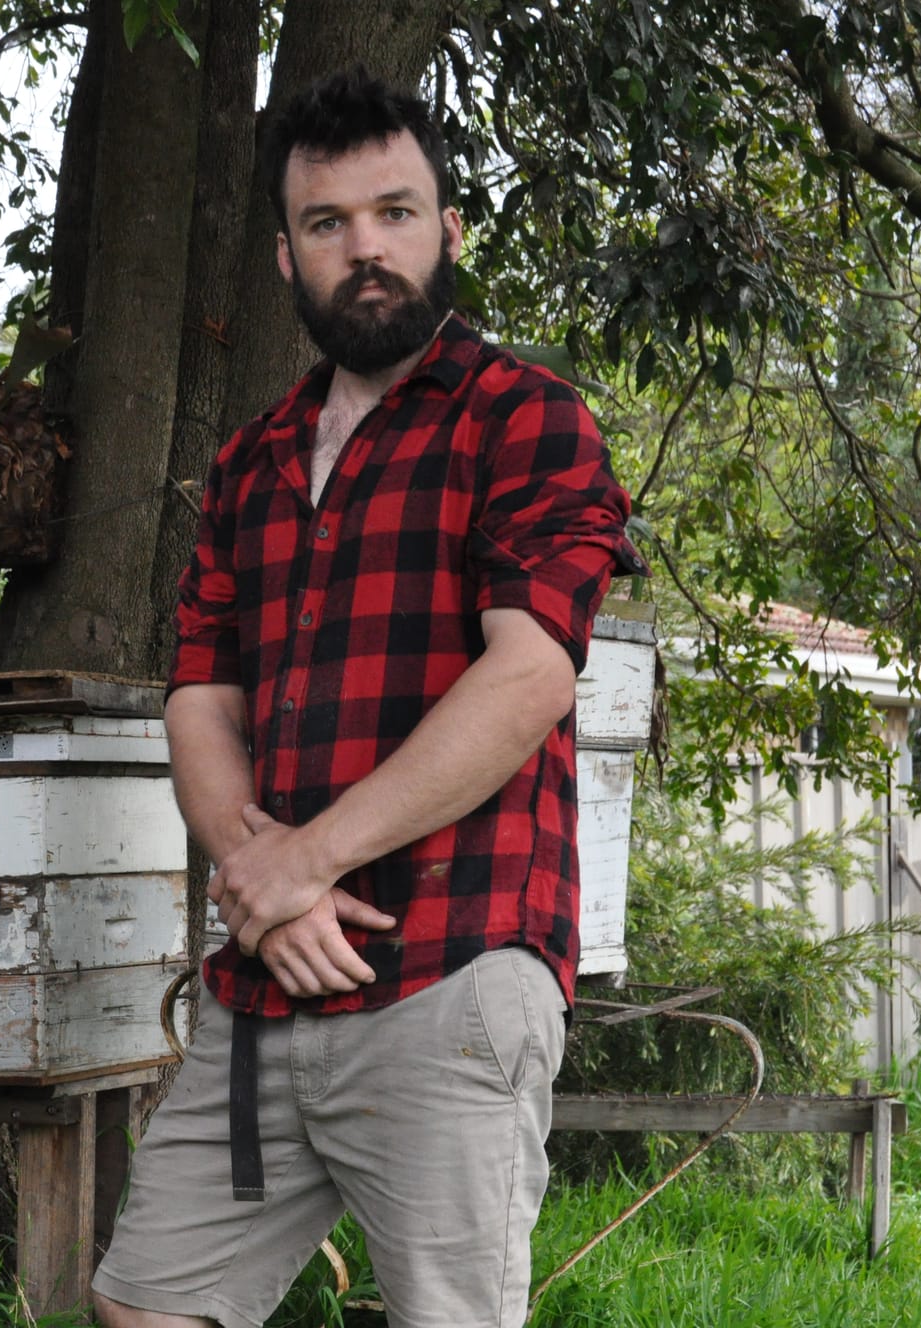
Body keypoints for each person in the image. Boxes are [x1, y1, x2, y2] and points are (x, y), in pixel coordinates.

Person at [90, 68, 645, 1328]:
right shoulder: (251, 458)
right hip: (264, 980)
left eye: (393, 212)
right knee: (144, 1304)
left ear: (448, 228)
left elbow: (528, 672)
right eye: (327, 223)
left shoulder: (526, 419)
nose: (365, 248)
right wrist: (259, 879)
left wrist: (302, 861)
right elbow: (198, 695)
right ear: (285, 257)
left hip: (450, 969)